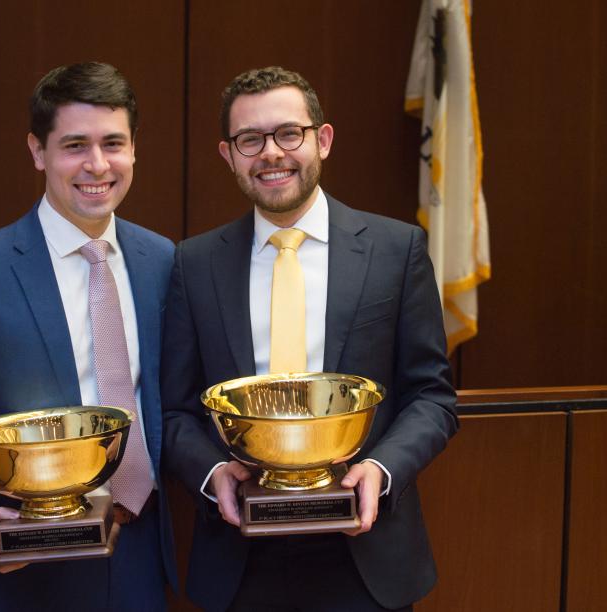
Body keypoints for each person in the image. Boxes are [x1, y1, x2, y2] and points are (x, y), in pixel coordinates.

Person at [161, 66, 458, 612]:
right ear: (228, 154)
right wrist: (211, 474)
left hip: (367, 553)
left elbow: (432, 396)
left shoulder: (397, 251)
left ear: (322, 139)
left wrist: (381, 471)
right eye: (250, 139)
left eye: (288, 133)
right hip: (239, 557)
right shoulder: (193, 264)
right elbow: (175, 410)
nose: (271, 152)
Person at [0, 62, 177, 612]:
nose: (97, 165)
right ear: (38, 151)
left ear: (134, 150)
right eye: (75, 145)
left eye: (113, 144)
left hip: (141, 557)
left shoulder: (165, 261)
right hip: (22, 569)